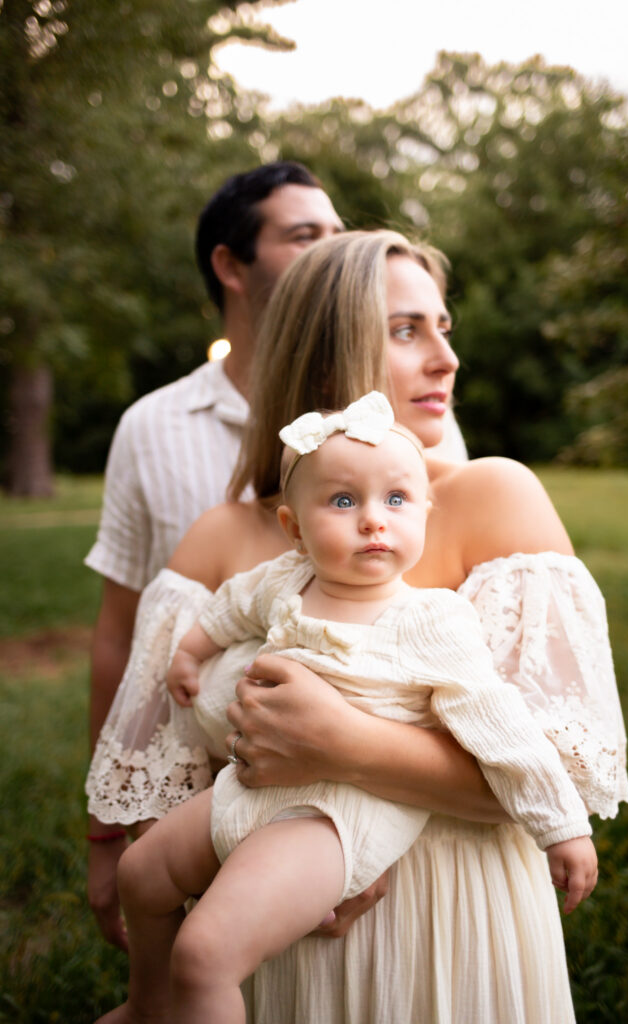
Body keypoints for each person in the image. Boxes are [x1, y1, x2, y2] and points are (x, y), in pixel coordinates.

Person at [87, 230, 628, 1023]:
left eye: (444, 329)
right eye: (407, 330)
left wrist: (343, 745)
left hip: (455, 917)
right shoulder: (221, 544)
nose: (445, 359)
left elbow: (548, 775)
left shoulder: (493, 495)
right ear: (319, 352)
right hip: (267, 924)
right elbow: (164, 789)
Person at [85, 164, 467, 947]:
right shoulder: (160, 438)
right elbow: (127, 643)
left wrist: (359, 807)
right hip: (231, 816)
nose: (336, 250)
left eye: (337, 234)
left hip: (406, 867)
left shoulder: (434, 460)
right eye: (306, 237)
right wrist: (112, 835)